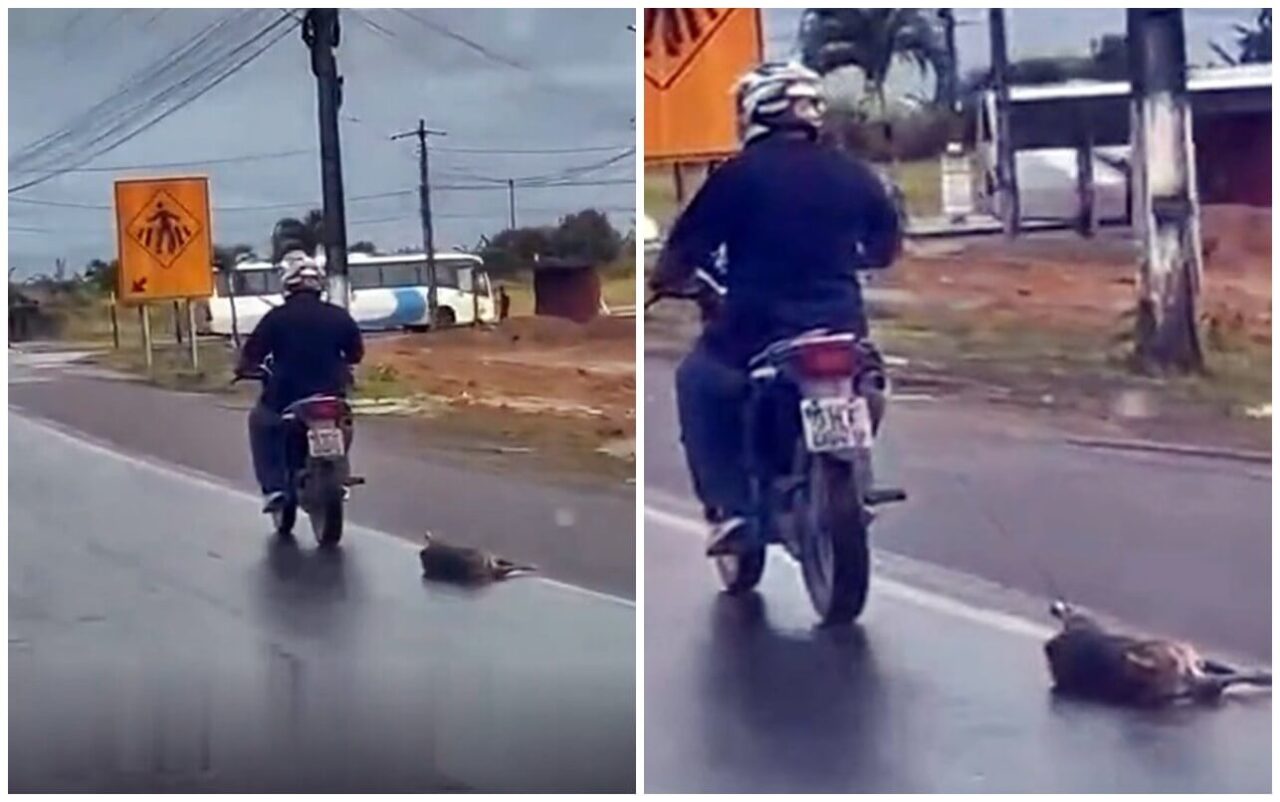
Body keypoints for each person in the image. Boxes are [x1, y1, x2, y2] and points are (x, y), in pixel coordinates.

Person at [648, 62, 903, 556]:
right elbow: (884, 248)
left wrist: (678, 282)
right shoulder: (854, 173)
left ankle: (730, 508)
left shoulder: (737, 177)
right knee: (868, 377)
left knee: (698, 381)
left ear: (755, 111)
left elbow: (680, 256)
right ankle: (853, 472)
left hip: (758, 328)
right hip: (842, 326)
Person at [237, 220, 364, 513]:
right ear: (319, 285)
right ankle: (339, 473)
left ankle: (274, 488)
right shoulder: (339, 316)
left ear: (287, 285)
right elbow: (356, 353)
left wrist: (244, 368)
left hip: (287, 394)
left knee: (260, 422)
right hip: (332, 391)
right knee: (344, 420)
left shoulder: (276, 318)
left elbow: (252, 353)